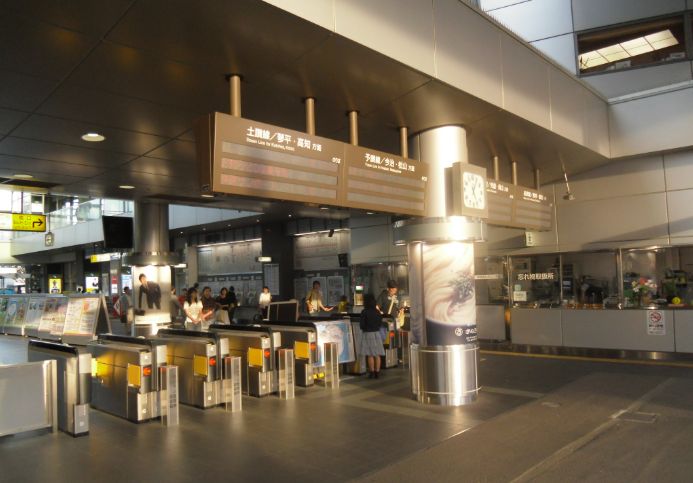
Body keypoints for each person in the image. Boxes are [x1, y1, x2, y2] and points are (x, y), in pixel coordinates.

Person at [359, 293, 385, 378]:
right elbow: (380, 323)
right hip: (377, 334)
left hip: (368, 334)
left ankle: (372, 372)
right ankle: (377, 372)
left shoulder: (364, 312)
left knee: (370, 354)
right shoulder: (377, 312)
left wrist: (365, 327)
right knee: (377, 354)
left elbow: (362, 325)